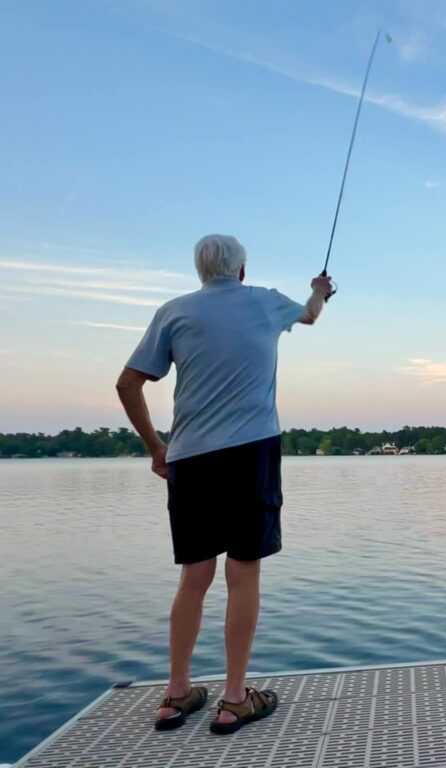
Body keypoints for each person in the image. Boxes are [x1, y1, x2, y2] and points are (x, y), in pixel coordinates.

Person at [115, 234, 333, 734]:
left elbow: (128, 383)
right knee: (243, 574)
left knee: (195, 578)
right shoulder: (263, 301)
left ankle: (175, 696)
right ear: (241, 270)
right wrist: (319, 288)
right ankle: (234, 699)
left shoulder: (173, 312)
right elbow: (311, 314)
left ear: (200, 272)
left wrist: (156, 447)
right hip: (250, 453)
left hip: (189, 459)